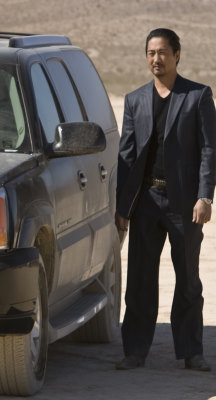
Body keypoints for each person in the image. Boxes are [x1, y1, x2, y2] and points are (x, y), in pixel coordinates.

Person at [115, 28, 216, 371]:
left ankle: (192, 352)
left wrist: (204, 196)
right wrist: (122, 207)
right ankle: (135, 351)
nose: (156, 59)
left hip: (185, 203)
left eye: (162, 52)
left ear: (177, 55)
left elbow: (209, 149)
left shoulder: (198, 96)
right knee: (140, 278)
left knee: (187, 278)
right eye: (150, 53)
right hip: (146, 200)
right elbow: (126, 156)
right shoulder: (135, 100)